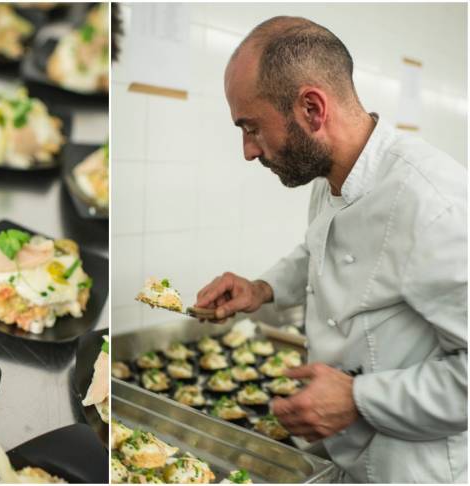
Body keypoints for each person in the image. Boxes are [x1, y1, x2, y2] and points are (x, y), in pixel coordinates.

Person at [194, 16, 467, 483]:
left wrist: (359, 398)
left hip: (410, 469)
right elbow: (317, 251)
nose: (248, 150)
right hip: (340, 457)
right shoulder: (332, 178)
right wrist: (262, 289)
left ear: (312, 109)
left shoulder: (434, 202)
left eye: (252, 128)